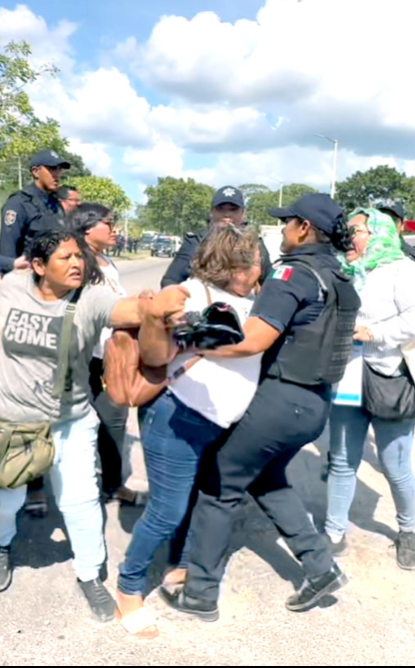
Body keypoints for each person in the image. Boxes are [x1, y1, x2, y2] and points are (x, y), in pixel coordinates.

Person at [164, 194, 360, 621]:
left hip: (281, 398)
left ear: (304, 227)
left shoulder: (292, 273)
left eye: (287, 223)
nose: (283, 231)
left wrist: (190, 342)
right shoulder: (339, 275)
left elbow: (252, 340)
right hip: (314, 406)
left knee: (219, 485)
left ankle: (199, 593)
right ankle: (319, 565)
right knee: (268, 478)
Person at [0, 228, 187, 620]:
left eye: (78, 256)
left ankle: (89, 574)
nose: (76, 263)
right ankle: (0, 546)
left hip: (69, 420)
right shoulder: (13, 287)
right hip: (9, 419)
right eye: (65, 258)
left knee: (81, 501)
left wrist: (155, 308)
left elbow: (128, 311)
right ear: (38, 266)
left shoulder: (91, 297)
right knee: (1, 501)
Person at [115, 224, 265, 639]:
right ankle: (128, 589)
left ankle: (175, 563)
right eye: (251, 259)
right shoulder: (191, 293)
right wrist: (179, 326)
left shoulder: (250, 299)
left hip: (216, 423)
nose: (258, 266)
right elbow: (157, 352)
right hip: (176, 414)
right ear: (231, 263)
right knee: (167, 510)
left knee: (190, 502)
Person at [325, 209, 415, 570]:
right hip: (349, 373)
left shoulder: (405, 270)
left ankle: (408, 531)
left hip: (391, 374)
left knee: (394, 463)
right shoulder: (344, 268)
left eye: (356, 230)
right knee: (342, 460)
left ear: (378, 234)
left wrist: (376, 332)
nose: (349, 236)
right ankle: (333, 532)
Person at [0, 150, 70, 516]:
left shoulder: (57, 205)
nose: (57, 174)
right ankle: (27, 480)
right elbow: (7, 257)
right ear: (35, 171)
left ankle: (44, 467)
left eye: (61, 168)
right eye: (52, 168)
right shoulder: (19, 204)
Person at [68, 203, 144, 506]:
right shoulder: (74, 261)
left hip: (107, 356)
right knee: (64, 423)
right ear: (87, 228)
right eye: (108, 224)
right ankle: (36, 487)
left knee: (113, 420)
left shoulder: (107, 262)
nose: (114, 230)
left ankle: (112, 484)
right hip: (79, 356)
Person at [161, 186, 274, 287]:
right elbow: (171, 280)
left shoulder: (254, 244)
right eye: (220, 209)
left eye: (233, 209)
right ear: (211, 212)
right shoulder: (196, 241)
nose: (227, 214)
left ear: (243, 213)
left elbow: (270, 285)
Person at [374, 198, 415, 367]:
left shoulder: (413, 257)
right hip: (369, 342)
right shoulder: (360, 252)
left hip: (406, 342)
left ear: (402, 225)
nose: (386, 225)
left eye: (392, 220)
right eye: (382, 219)